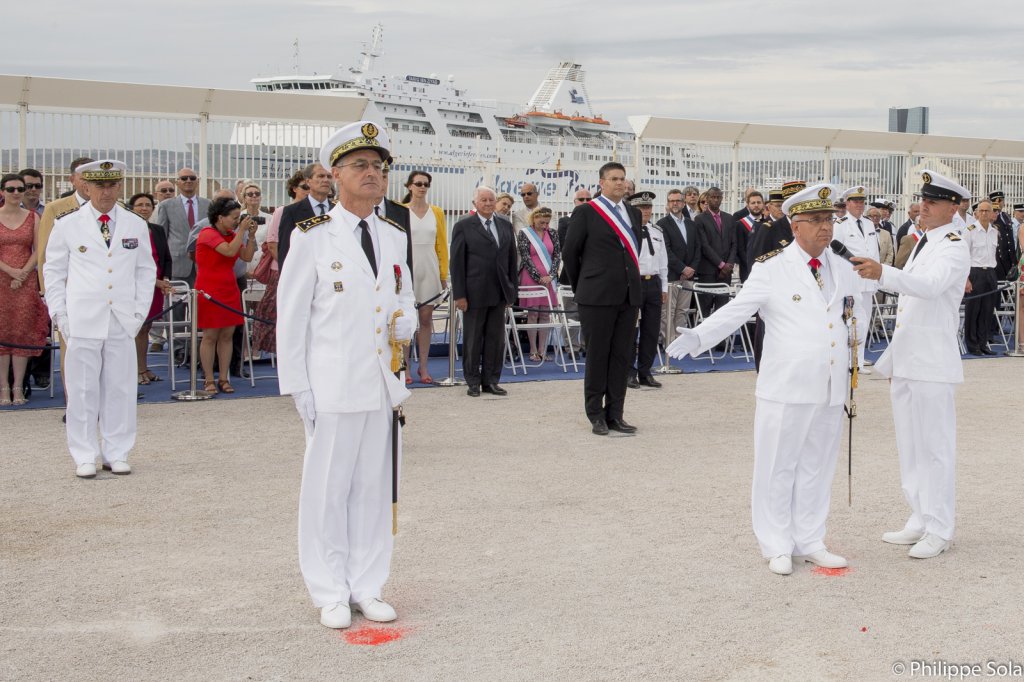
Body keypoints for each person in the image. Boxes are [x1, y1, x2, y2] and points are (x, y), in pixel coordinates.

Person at [667, 183, 866, 575]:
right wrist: (697, 337)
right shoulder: (772, 267)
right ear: (795, 225)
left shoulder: (842, 266)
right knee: (778, 465)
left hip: (829, 386)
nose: (826, 228)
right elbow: (739, 310)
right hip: (787, 386)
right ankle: (776, 542)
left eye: (829, 219)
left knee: (817, 466)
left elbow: (855, 313)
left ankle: (810, 538)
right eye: (816, 220)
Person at [276, 121, 415, 630]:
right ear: (334, 175)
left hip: (381, 381)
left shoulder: (393, 234)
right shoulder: (310, 236)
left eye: (378, 167)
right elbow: (292, 317)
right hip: (331, 382)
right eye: (360, 165)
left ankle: (368, 583)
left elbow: (399, 295)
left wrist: (409, 316)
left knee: (375, 488)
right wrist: (298, 386)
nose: (372, 174)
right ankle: (329, 588)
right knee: (328, 489)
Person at [851, 170, 971, 560]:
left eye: (933, 202)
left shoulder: (953, 244)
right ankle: (920, 516)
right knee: (911, 445)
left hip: (933, 361)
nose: (924, 207)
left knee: (935, 447)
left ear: (953, 208)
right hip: (908, 357)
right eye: (923, 200)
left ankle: (940, 527)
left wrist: (882, 272)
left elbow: (931, 287)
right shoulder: (922, 240)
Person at [43, 160, 157, 478]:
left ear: (120, 187)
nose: (106, 192)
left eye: (112, 186)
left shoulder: (135, 224)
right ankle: (84, 453)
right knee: (81, 389)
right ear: (86, 187)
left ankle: (116, 451)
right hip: (81, 317)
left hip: (121, 317)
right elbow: (53, 273)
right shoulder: (67, 224)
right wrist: (60, 315)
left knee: (120, 386)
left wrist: (138, 313)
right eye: (99, 186)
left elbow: (146, 271)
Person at [562, 161, 643, 435]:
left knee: (621, 357)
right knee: (598, 356)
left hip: (627, 296)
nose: (620, 183)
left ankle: (616, 414)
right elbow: (570, 254)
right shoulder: (586, 212)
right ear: (602, 183)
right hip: (596, 296)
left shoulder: (632, 213)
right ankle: (595, 413)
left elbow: (634, 251)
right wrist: (584, 285)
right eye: (614, 179)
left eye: (622, 179)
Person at [450, 187, 518, 397]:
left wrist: (511, 291)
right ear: (475, 202)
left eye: (491, 200)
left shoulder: (505, 225)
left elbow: (511, 259)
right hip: (474, 293)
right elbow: (457, 263)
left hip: (499, 292)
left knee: (495, 339)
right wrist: (459, 295)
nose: (488, 203)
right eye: (484, 200)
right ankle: (472, 381)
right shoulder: (463, 226)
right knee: (473, 339)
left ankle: (491, 381)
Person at [194, 197, 256, 394]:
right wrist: (241, 231)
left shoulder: (232, 234)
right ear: (220, 217)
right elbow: (229, 252)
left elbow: (246, 257)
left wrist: (251, 236)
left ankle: (223, 377)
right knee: (210, 335)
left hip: (229, 288)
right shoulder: (207, 233)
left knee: (227, 335)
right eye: (234, 217)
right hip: (209, 288)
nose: (237, 221)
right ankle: (209, 378)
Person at [0, 174, 48, 406]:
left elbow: (38, 250)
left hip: (26, 281)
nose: (17, 193)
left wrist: (23, 273)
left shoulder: (33, 217)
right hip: (2, 280)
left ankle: (19, 385)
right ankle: (3, 387)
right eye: (11, 189)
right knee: (2, 333)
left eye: (21, 188)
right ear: (2, 192)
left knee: (21, 333)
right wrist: (11, 271)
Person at [253, 171, 309, 357]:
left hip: (309, 272)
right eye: (304, 187)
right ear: (294, 189)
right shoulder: (282, 211)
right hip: (283, 271)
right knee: (275, 314)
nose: (308, 191)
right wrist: (289, 268)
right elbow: (272, 244)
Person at [401, 170, 448, 384]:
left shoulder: (436, 212)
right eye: (418, 183)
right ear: (410, 186)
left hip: (429, 267)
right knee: (405, 321)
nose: (422, 187)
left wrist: (443, 273)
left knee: (426, 319)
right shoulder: (400, 210)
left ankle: (424, 366)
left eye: (425, 184)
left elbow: (441, 244)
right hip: (407, 267)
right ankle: (405, 367)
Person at [125, 193, 173, 384]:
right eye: (139, 205)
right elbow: (130, 263)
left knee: (146, 328)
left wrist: (165, 279)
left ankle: (143, 367)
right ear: (131, 208)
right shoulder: (127, 231)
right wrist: (155, 281)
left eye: (148, 205)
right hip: (136, 286)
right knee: (136, 329)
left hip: (156, 287)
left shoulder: (157, 230)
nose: (144, 208)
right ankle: (135, 370)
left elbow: (165, 257)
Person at [833, 185, 880, 372]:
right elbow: (835, 253)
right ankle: (847, 360)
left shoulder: (869, 224)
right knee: (849, 321)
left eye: (862, 201)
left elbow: (873, 252)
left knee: (864, 321)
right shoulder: (840, 224)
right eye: (855, 201)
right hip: (850, 281)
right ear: (847, 203)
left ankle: (858, 362)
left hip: (867, 281)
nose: (859, 205)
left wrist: (876, 277)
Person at [628, 191, 668, 388]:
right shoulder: (628, 231)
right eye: (641, 208)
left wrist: (664, 286)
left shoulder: (657, 231)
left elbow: (663, 262)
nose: (645, 211)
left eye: (648, 207)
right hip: (634, 282)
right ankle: (629, 372)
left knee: (651, 331)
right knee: (630, 330)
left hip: (653, 283)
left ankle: (645, 371)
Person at [516, 206, 560, 362]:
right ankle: (533, 350)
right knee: (533, 313)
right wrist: (538, 276)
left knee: (546, 314)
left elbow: (556, 256)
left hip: (549, 279)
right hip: (530, 278)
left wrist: (551, 275)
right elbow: (525, 257)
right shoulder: (525, 233)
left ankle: (543, 349)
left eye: (547, 223)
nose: (545, 226)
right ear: (533, 219)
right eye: (542, 222)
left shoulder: (552, 233)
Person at [657, 188, 700, 346]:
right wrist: (682, 269)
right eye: (671, 201)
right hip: (672, 276)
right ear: (668, 204)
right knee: (668, 310)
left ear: (683, 203)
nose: (675, 203)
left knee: (682, 310)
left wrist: (691, 269)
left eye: (678, 200)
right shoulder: (662, 224)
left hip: (689, 276)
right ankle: (668, 341)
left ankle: (678, 341)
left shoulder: (691, 224)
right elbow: (665, 251)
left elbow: (697, 248)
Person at [152, 167, 210, 283]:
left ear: (197, 181)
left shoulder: (208, 204)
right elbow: (162, 237)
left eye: (192, 178)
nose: (188, 181)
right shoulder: (166, 206)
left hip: (204, 263)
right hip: (177, 265)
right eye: (184, 178)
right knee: (177, 301)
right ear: (177, 183)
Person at [275, 163, 333, 270]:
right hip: (304, 271)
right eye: (320, 176)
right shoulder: (291, 211)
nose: (326, 180)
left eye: (329, 176)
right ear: (308, 181)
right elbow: (285, 249)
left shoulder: (337, 210)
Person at [693, 186, 738, 319]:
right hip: (708, 271)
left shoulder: (729, 218)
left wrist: (729, 264)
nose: (716, 200)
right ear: (707, 199)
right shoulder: (700, 219)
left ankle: (722, 340)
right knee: (705, 310)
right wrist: (721, 264)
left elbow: (734, 244)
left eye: (718, 197)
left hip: (726, 273)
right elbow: (704, 246)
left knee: (722, 310)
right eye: (713, 197)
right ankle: (705, 340)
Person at [962, 201, 1000, 355]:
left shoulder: (994, 231)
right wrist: (966, 279)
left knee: (987, 311)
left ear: (992, 213)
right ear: (976, 213)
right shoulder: (969, 230)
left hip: (990, 273)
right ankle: (972, 345)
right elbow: (963, 256)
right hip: (974, 272)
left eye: (987, 211)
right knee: (974, 310)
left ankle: (983, 343)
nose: (984, 213)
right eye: (981, 210)